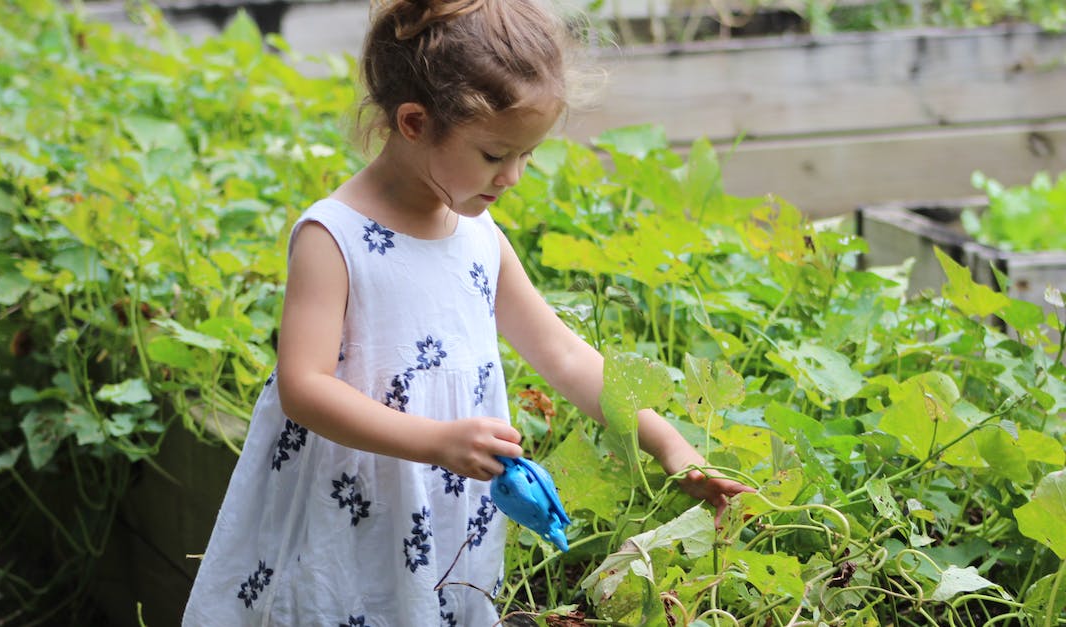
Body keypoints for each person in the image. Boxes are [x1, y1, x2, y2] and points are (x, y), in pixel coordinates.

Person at [182, 0, 753, 624]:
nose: (512, 176)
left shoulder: (479, 238)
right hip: (350, 504)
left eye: (526, 155)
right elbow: (304, 388)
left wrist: (667, 443)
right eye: (493, 155)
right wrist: (436, 441)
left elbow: (563, 356)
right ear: (413, 122)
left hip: (443, 508)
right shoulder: (335, 237)